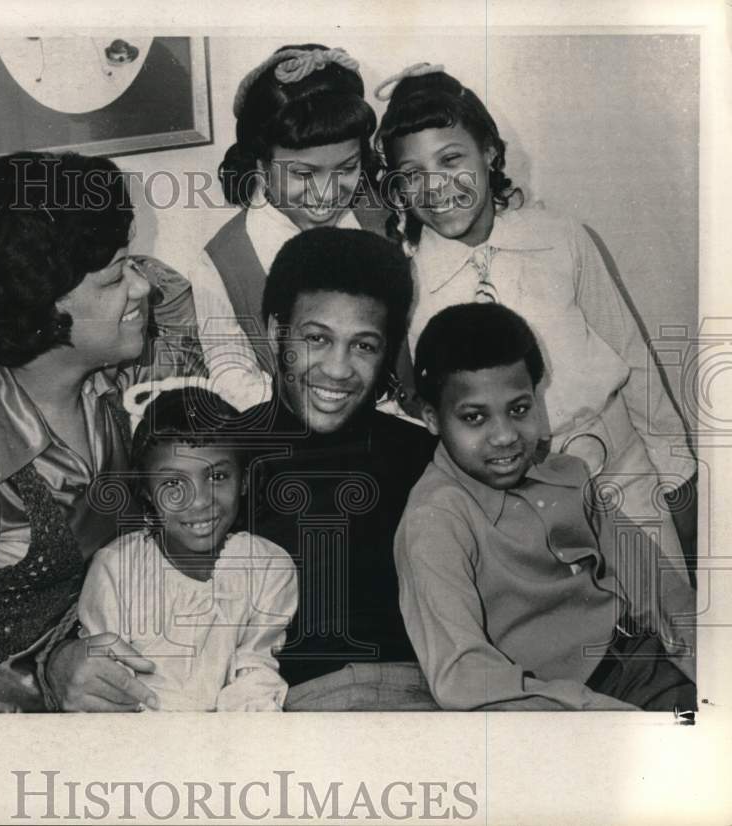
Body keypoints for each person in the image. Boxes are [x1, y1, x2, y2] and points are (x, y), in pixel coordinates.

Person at [0, 151, 201, 713]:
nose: (141, 287)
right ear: (40, 308)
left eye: (134, 264)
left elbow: (176, 300)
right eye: (114, 277)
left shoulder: (115, 384)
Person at [374, 63, 697, 571]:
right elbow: (419, 413)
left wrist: (676, 475)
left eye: (451, 158)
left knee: (675, 633)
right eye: (412, 174)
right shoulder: (404, 283)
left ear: (490, 152)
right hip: (515, 504)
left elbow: (631, 356)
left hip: (622, 471)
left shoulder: (561, 237)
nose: (435, 187)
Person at [395, 303, 696, 711]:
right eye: (474, 418)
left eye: (519, 409)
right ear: (432, 418)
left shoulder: (567, 476)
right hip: (569, 706)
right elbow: (464, 676)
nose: (504, 436)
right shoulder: (435, 522)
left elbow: (656, 587)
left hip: (650, 663)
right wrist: (605, 716)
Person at [245, 227, 438, 711]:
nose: (337, 369)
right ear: (275, 332)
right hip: (289, 714)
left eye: (364, 346)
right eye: (316, 339)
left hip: (425, 702)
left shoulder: (423, 456)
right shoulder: (220, 457)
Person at [189, 43, 397, 410]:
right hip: (304, 443)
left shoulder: (385, 218)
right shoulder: (221, 261)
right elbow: (233, 377)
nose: (327, 192)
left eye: (346, 168)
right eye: (303, 174)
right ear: (260, 165)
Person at [77, 386, 298, 711]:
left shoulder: (269, 568)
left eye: (218, 476)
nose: (198, 500)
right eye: (172, 483)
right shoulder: (116, 568)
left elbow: (255, 674)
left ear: (245, 480)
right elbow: (107, 678)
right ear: (147, 491)